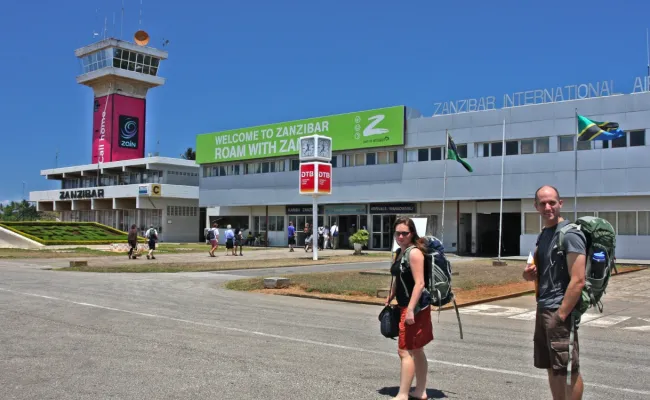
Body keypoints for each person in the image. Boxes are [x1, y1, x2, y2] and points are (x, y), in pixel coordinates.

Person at [523, 185, 586, 400]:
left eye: (552, 202)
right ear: (536, 206)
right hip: (543, 307)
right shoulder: (544, 235)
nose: (547, 207)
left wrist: (561, 315)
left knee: (568, 370)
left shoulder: (571, 234)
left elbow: (578, 280)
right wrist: (530, 274)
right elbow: (543, 271)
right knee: (551, 366)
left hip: (558, 310)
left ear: (561, 203)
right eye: (542, 203)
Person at [385, 217, 433, 400]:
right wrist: (390, 295)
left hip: (415, 307)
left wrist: (411, 309)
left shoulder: (414, 253)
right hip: (406, 305)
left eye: (405, 233)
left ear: (412, 233)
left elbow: (419, 283)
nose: (401, 236)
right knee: (417, 349)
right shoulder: (400, 252)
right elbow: (399, 278)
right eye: (398, 233)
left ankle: (403, 394)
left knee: (404, 351)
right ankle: (420, 391)